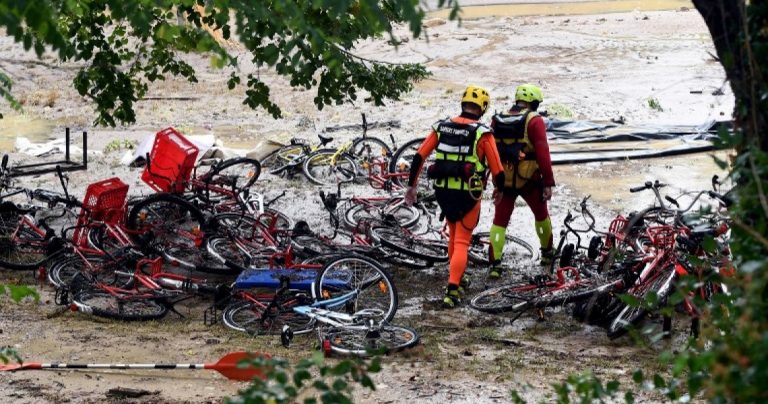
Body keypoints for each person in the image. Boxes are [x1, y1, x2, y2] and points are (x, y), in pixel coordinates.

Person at [404, 85, 504, 308]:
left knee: (453, 236)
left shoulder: (441, 127)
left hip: (443, 192)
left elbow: (419, 157)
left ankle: (457, 277)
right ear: (483, 108)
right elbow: (497, 169)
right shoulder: (482, 133)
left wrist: (411, 187)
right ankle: (452, 289)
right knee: (462, 241)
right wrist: (500, 190)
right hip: (468, 193)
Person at [487, 83, 555, 279]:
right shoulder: (534, 121)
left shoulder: (497, 120)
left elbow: (490, 151)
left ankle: (495, 264)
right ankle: (547, 254)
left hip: (504, 179)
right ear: (533, 102)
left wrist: (489, 180)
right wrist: (548, 182)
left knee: (500, 220)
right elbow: (543, 153)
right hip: (529, 179)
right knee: (541, 215)